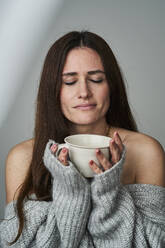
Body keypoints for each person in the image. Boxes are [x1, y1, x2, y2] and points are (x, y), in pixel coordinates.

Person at [0, 30, 165, 247]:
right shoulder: (23, 157)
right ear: (53, 90)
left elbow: (153, 242)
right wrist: (71, 193)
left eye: (96, 79)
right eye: (69, 82)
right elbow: (19, 243)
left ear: (111, 86)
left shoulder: (144, 151)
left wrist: (109, 195)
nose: (84, 92)